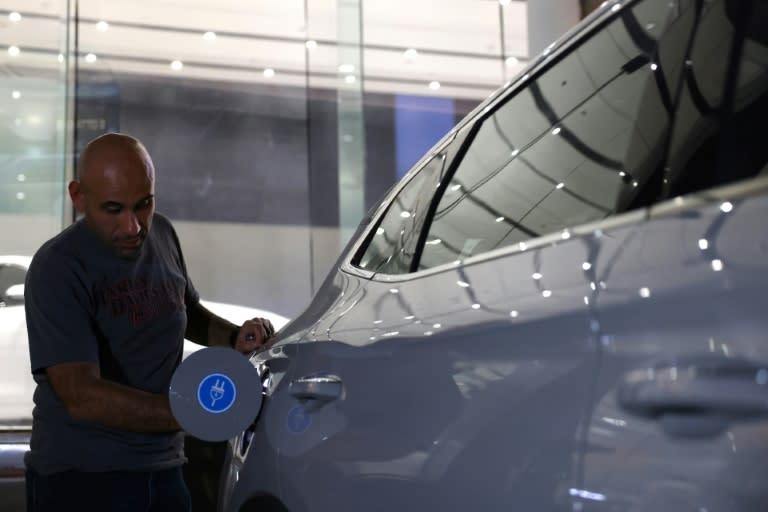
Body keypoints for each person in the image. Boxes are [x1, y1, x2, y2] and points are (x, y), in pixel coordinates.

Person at [23, 132, 274, 512]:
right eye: (113, 209)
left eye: (143, 205)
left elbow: (184, 310)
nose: (133, 227)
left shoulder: (163, 235)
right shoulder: (57, 268)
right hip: (82, 481)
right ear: (78, 197)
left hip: (166, 469)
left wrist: (234, 337)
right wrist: (192, 412)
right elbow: (81, 395)